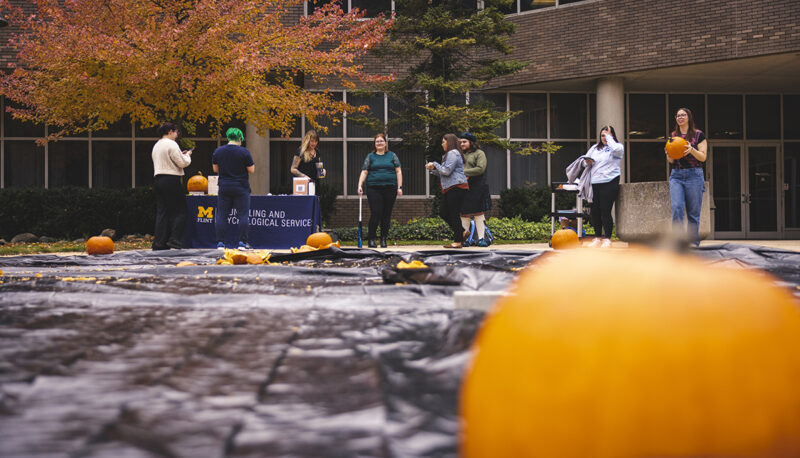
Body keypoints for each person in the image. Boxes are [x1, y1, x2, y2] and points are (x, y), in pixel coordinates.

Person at [666, 107, 707, 246]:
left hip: (694, 175)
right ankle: (678, 243)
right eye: (678, 115)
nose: (680, 117)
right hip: (676, 175)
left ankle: (693, 243)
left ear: (688, 117)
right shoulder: (673, 135)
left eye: (683, 115)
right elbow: (671, 161)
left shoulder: (698, 135)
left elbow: (703, 157)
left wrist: (692, 150)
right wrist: (668, 153)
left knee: (693, 213)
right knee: (677, 208)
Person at [151, 122, 192, 250]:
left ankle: (159, 243)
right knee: (180, 211)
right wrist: (187, 156)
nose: (177, 134)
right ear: (170, 131)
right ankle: (174, 240)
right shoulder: (172, 144)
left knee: (162, 212)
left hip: (158, 179)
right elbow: (182, 163)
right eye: (176, 132)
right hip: (171, 179)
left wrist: (181, 154)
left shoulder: (157, 145)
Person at [357, 133, 403, 248]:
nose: (379, 143)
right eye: (377, 141)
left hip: (390, 188)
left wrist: (399, 187)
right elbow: (364, 171)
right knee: (375, 213)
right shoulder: (370, 156)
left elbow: (398, 171)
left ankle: (383, 239)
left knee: (386, 215)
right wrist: (360, 185)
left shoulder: (392, 156)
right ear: (375, 143)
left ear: (385, 143)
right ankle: (371, 239)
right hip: (374, 188)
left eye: (381, 141)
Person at [212, 127, 255, 250]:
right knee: (243, 215)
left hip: (224, 186)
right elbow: (251, 170)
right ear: (240, 138)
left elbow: (215, 169)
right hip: (241, 187)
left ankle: (220, 243)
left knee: (221, 215)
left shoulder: (218, 151)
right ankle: (241, 243)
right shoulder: (244, 152)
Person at [583, 125, 624, 248]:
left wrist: (609, 138)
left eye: (607, 135)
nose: (604, 138)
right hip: (595, 182)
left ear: (612, 136)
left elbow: (616, 148)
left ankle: (607, 238)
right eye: (602, 135)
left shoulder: (617, 147)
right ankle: (597, 237)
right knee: (595, 211)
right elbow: (584, 162)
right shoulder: (595, 148)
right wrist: (587, 162)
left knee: (605, 210)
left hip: (610, 181)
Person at [426, 133, 468, 248]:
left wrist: (434, 164)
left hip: (457, 187)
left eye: (443, 142)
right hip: (450, 187)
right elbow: (444, 172)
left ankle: (458, 241)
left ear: (449, 142)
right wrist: (433, 170)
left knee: (453, 213)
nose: (442, 144)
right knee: (444, 212)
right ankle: (463, 232)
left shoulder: (453, 153)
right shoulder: (448, 154)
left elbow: (446, 171)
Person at [458, 132, 491, 247]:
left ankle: (481, 239)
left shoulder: (479, 153)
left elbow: (481, 168)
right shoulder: (459, 154)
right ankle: (465, 239)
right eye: (461, 142)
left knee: (478, 212)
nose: (461, 144)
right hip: (463, 186)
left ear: (471, 142)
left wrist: (463, 172)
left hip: (477, 186)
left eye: (464, 142)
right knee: (464, 212)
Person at [290, 129, 325, 195]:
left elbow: (319, 173)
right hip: (302, 185)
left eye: (316, 141)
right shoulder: (300, 151)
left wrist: (323, 172)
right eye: (312, 141)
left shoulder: (317, 152)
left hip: (315, 185)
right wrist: (304, 177)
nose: (314, 143)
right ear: (307, 140)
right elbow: (293, 169)